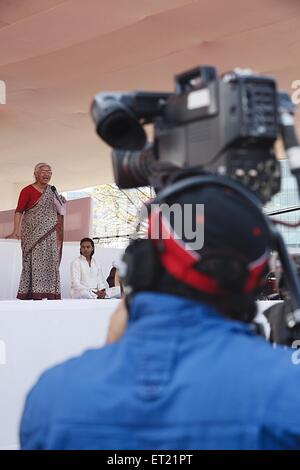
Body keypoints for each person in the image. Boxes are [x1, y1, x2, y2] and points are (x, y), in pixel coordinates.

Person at [20, 180, 300, 449]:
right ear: (257, 279)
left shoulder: (52, 397)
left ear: (139, 267)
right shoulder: (289, 391)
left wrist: (114, 358)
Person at [6, 163, 65, 300]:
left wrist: (62, 202)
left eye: (49, 172)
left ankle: (50, 293)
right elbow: (19, 211)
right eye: (43, 171)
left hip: (50, 234)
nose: (47, 174)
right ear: (35, 174)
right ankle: (33, 294)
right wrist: (16, 230)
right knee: (34, 262)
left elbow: (59, 212)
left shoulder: (52, 191)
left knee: (51, 262)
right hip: (32, 234)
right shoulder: (27, 190)